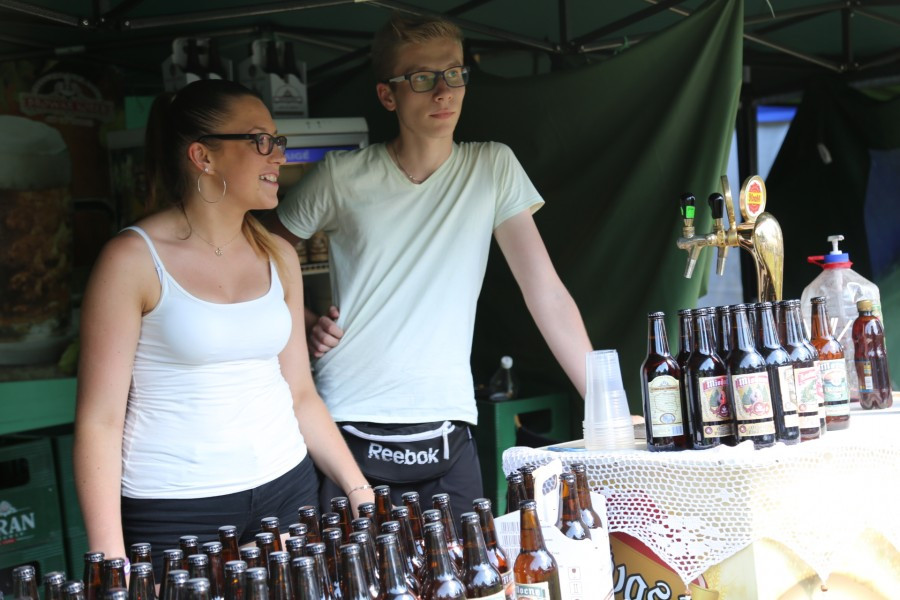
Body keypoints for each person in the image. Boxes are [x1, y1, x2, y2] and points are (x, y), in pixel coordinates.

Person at [267, 13, 593, 519]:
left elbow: (545, 292)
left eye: (455, 73)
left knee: (463, 583)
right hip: (346, 422)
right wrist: (305, 320)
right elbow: (263, 252)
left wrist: (601, 403)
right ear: (387, 95)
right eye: (421, 78)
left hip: (447, 424)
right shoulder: (341, 176)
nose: (443, 91)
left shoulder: (492, 167)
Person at [73, 79, 374, 574]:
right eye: (261, 140)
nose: (278, 155)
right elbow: (99, 422)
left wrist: (357, 488)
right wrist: (110, 561)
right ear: (203, 156)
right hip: (176, 509)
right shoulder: (132, 260)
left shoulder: (279, 254)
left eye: (278, 141)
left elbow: (299, 392)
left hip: (289, 489)